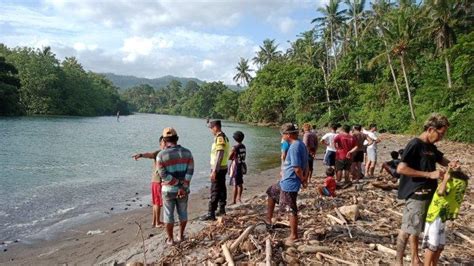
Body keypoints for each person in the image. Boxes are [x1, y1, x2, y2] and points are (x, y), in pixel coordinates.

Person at [395, 114, 457, 266]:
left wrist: (452, 164)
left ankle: (415, 259)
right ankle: (399, 262)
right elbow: (401, 168)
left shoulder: (430, 146)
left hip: (430, 193)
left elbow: (440, 159)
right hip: (416, 192)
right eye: (440, 134)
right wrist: (429, 174)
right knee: (408, 228)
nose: (441, 137)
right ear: (430, 129)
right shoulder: (415, 144)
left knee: (417, 228)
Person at [265, 123, 308, 242]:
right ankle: (268, 219)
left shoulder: (294, 147)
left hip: (290, 181)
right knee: (271, 191)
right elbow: (307, 163)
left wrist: (303, 179)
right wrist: (305, 177)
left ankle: (294, 235)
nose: (282, 136)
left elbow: (297, 167)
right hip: (286, 180)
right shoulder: (300, 144)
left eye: (283, 134)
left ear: (288, 135)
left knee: (290, 207)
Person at [156, 128, 194, 245]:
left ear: (164, 140)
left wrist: (176, 183)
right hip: (183, 189)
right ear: (177, 139)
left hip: (168, 189)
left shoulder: (161, 155)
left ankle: (170, 239)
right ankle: (181, 236)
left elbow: (163, 174)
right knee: (183, 213)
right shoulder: (187, 153)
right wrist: (183, 185)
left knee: (168, 215)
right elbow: (190, 171)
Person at [422, 168, 467, 266]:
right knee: (435, 246)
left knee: (435, 246)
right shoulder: (458, 184)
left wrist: (445, 180)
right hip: (439, 216)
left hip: (437, 216)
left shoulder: (449, 183)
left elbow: (441, 192)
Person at [132, 136, 166, 227]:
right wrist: (141, 155)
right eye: (164, 142)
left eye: (167, 142)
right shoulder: (159, 153)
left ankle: (155, 222)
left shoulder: (166, 153)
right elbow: (149, 155)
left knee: (155, 202)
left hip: (154, 181)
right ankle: (158, 222)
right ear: (160, 144)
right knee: (158, 202)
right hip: (158, 181)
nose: (166, 144)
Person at [202, 120, 230, 221]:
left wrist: (214, 170)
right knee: (222, 188)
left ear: (215, 127)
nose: (211, 130)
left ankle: (211, 213)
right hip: (223, 167)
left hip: (218, 168)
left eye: (211, 128)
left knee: (215, 190)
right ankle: (221, 208)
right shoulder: (224, 136)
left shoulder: (220, 138)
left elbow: (220, 154)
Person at [229, 131, 247, 204]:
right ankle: (239, 198)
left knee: (235, 184)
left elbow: (229, 157)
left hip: (235, 166)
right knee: (240, 183)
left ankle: (234, 201)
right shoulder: (243, 146)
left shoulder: (235, 147)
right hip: (241, 165)